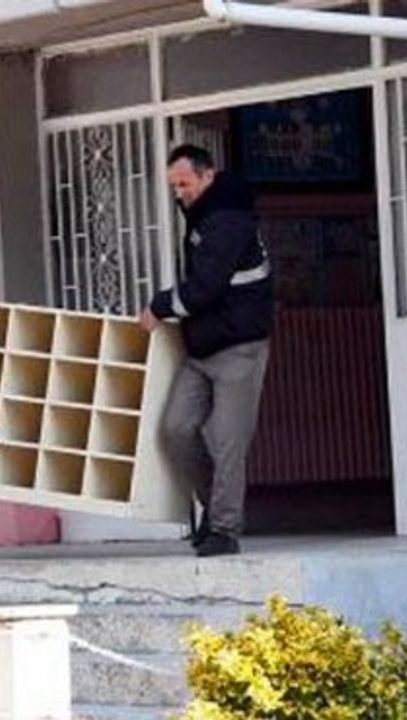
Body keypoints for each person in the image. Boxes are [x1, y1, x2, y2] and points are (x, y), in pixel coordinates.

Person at [139, 144, 272, 557]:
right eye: (174, 186)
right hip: (202, 348)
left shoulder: (227, 219)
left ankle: (224, 529)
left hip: (239, 347)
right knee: (176, 430)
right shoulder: (203, 213)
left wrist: (159, 307)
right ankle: (214, 512)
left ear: (207, 176)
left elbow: (207, 285)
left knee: (229, 442)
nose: (179, 193)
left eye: (184, 184)